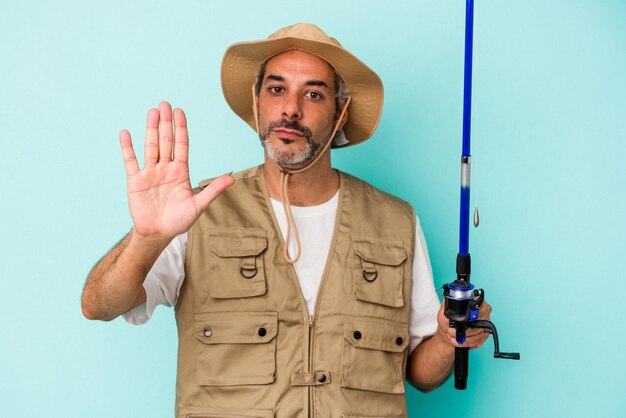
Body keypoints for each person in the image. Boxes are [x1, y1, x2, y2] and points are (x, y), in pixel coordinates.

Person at [81, 23, 491, 417]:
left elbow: (420, 375)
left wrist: (446, 337)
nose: (291, 109)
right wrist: (147, 237)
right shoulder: (197, 212)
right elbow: (99, 305)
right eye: (277, 89)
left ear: (341, 112)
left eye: (313, 94)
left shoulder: (395, 222)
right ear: (257, 100)